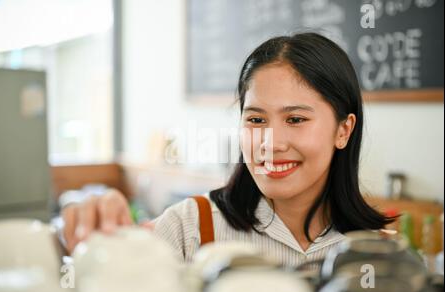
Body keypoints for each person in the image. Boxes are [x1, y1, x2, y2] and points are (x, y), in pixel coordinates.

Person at [60, 32, 392, 267]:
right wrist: (99, 251)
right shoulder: (189, 228)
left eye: (295, 119)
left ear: (343, 130)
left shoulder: (379, 254)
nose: (270, 143)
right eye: (257, 120)